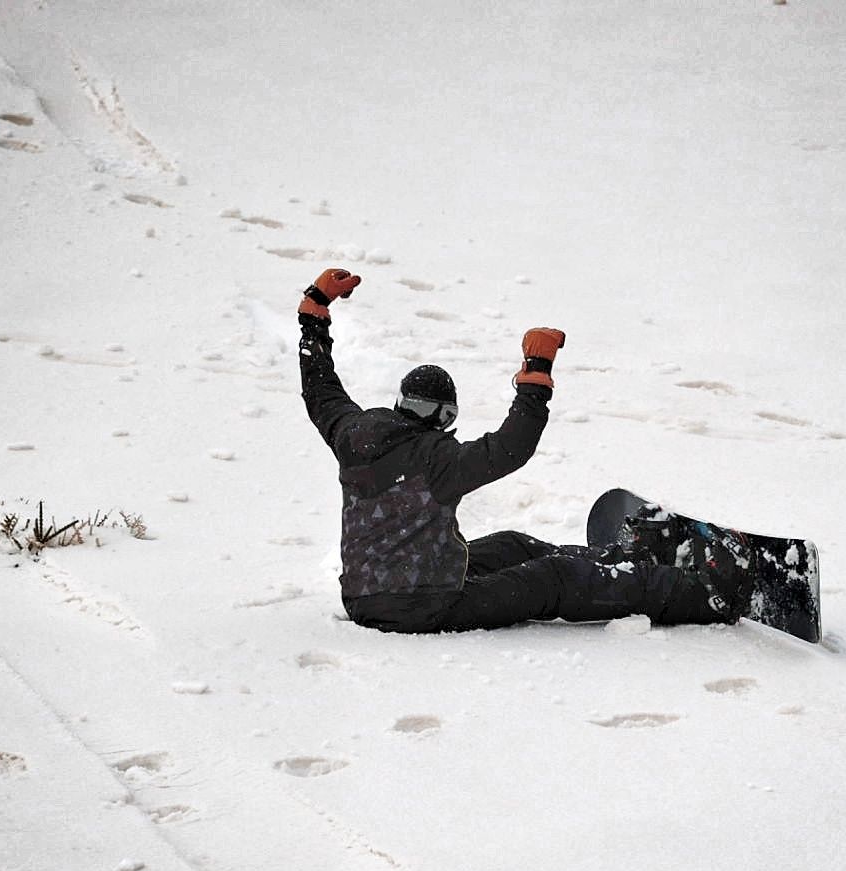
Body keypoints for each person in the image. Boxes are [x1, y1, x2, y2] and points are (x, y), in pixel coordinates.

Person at [297, 267, 751, 634]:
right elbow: (512, 447)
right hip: (424, 606)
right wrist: (536, 376)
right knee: (553, 579)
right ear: (442, 417)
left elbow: (320, 389)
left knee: (510, 546)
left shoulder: (351, 433)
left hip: (368, 596)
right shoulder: (438, 461)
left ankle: (625, 562)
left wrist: (313, 312)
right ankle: (707, 593)